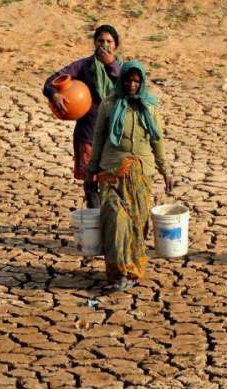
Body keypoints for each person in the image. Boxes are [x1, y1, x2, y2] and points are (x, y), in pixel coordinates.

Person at [88, 60, 172, 291]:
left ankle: (132, 272)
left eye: (137, 81)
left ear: (142, 82)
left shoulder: (150, 107)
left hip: (140, 174)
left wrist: (165, 171)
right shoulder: (109, 104)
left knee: (136, 226)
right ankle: (117, 273)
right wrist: (92, 168)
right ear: (122, 80)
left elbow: (157, 141)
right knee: (116, 221)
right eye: (128, 80)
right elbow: (99, 138)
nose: (132, 85)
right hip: (111, 172)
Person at [43, 24, 123, 208]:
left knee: (113, 185)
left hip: (115, 137)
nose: (105, 45)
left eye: (109, 41)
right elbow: (50, 82)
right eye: (101, 41)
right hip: (88, 135)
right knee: (91, 184)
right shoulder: (84, 66)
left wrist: (111, 65)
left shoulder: (123, 69)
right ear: (94, 43)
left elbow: (133, 89)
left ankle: (111, 225)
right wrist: (54, 94)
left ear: (116, 46)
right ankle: (96, 227)